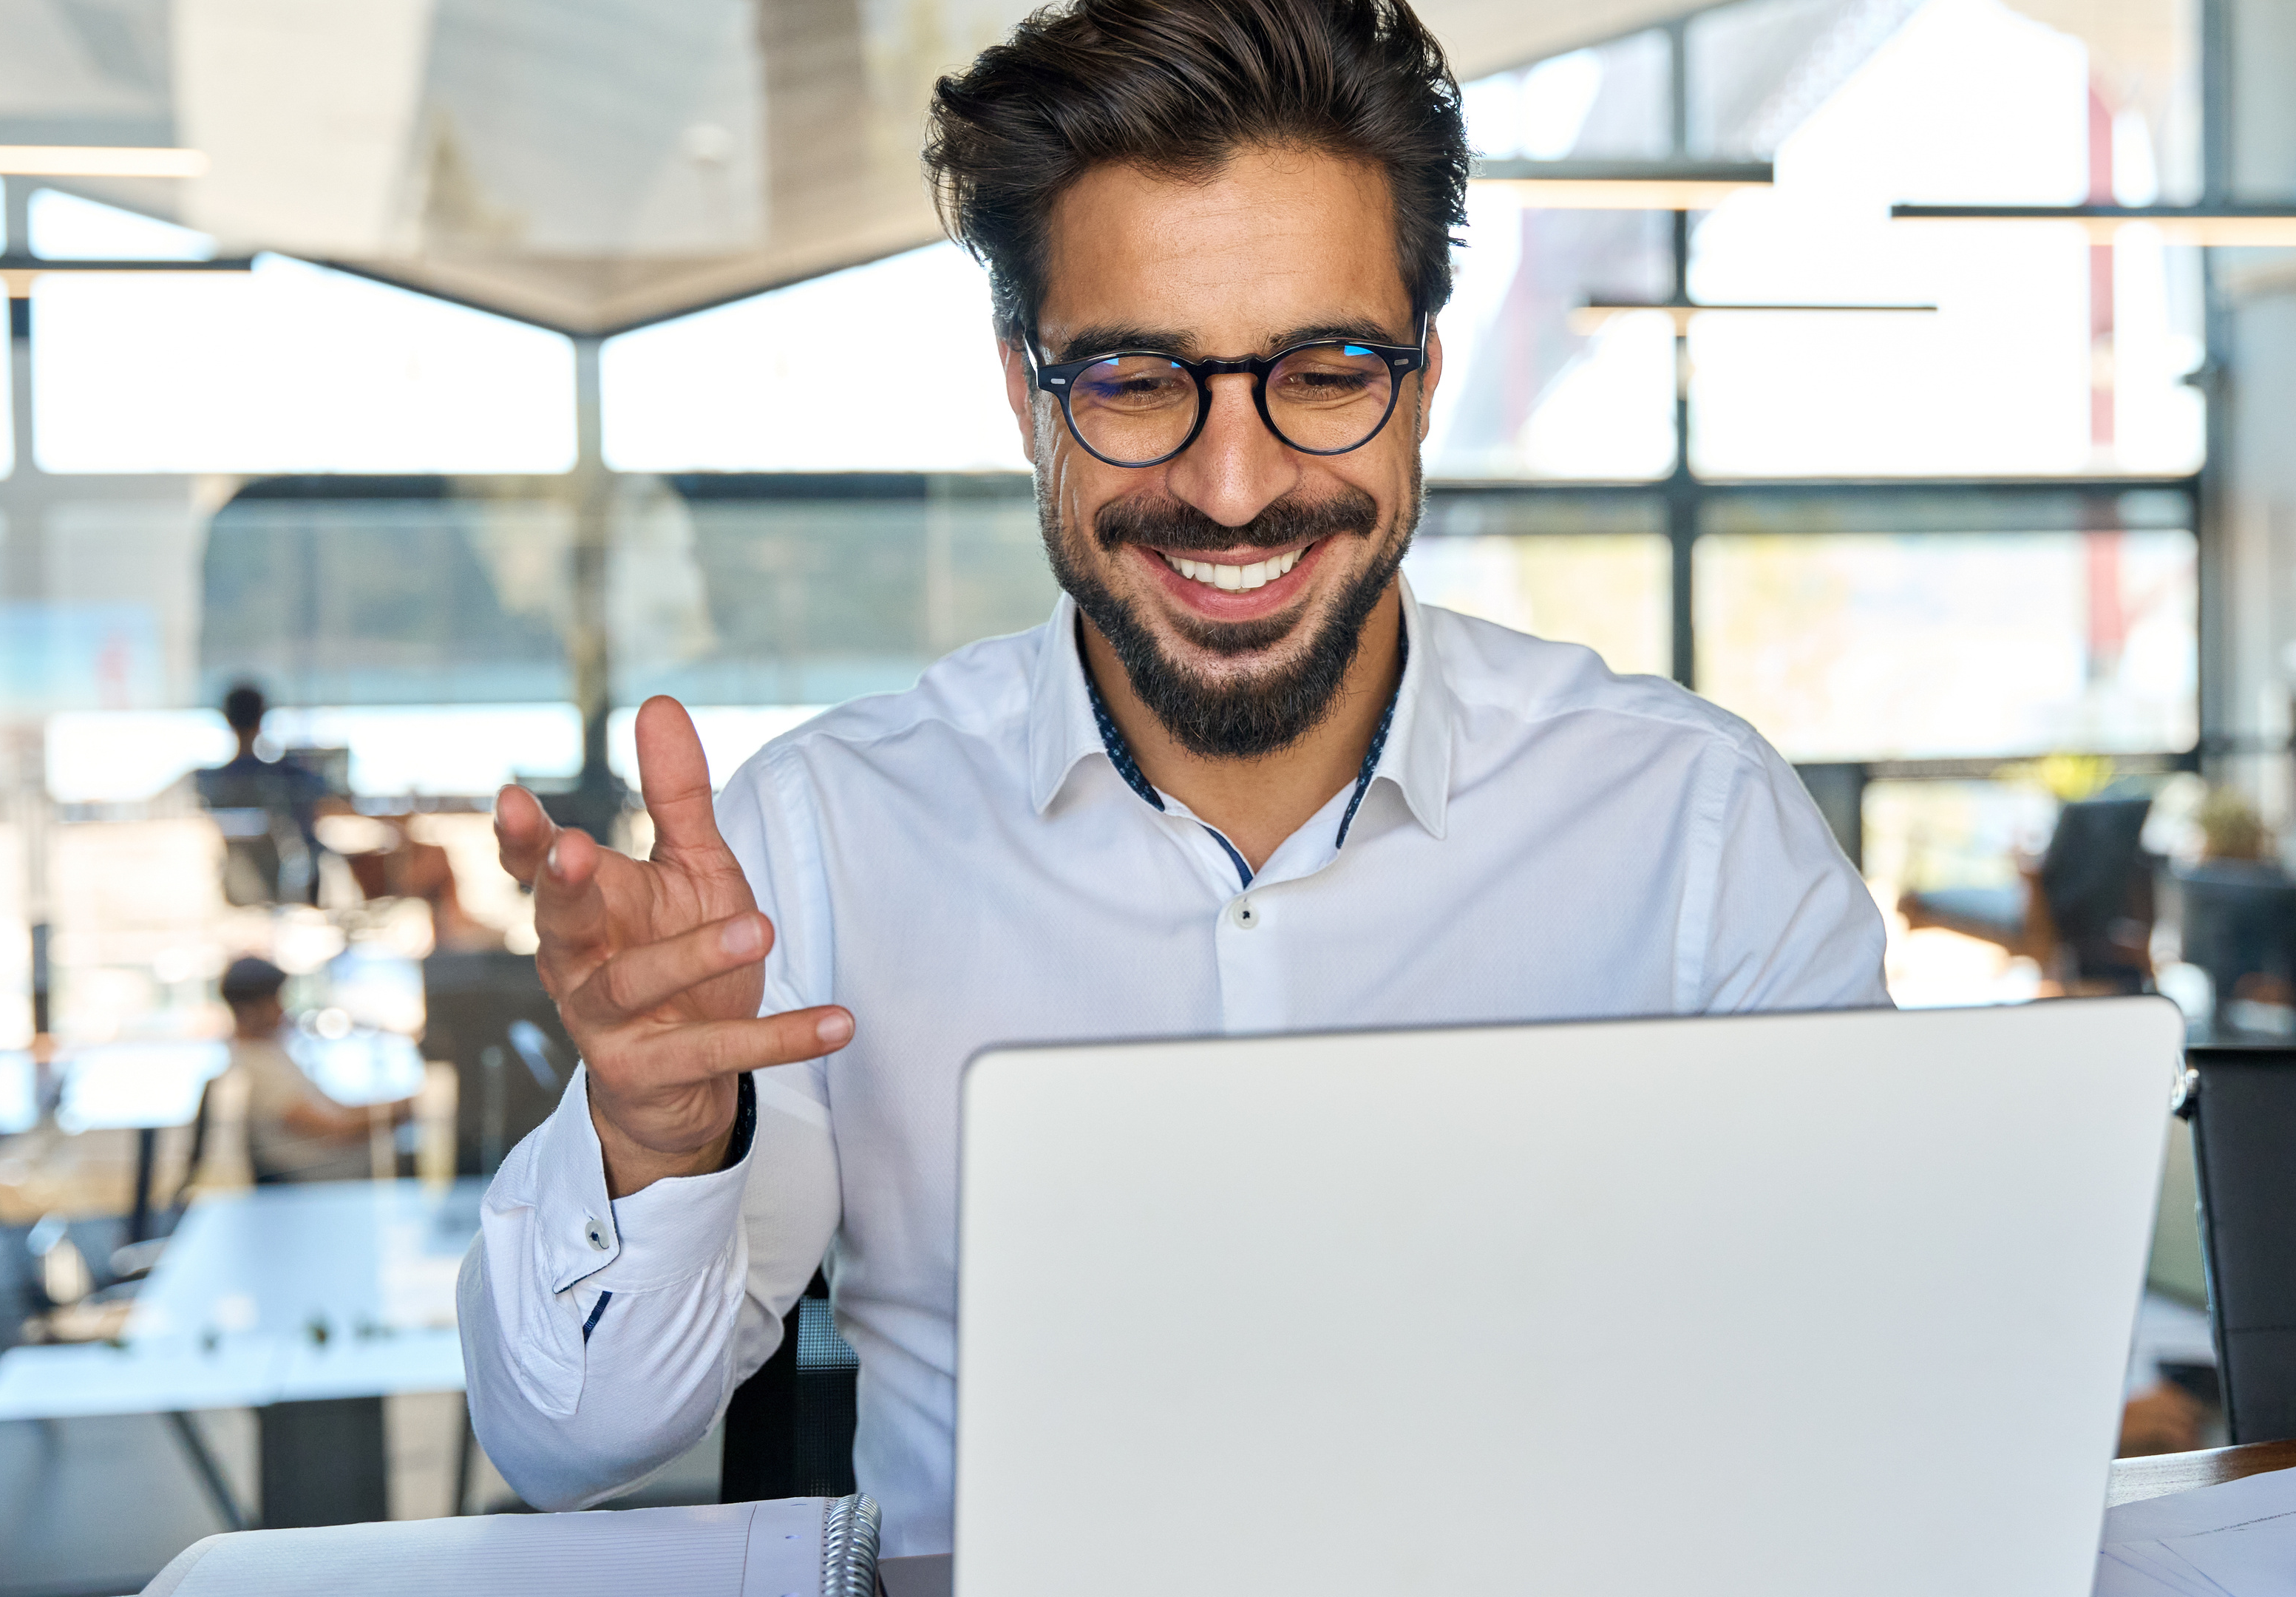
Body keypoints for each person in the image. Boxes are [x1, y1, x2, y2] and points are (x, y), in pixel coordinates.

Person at [458, 0, 1887, 1554]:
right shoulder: (821, 838)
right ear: (1026, 394)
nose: (1232, 485)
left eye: (1326, 368)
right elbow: (568, 1443)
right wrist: (654, 1147)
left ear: (1417, 380)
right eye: (1137, 380)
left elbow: (1894, 1365)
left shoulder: (1694, 830)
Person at [217, 957, 410, 1184]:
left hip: (331, 1165)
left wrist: (398, 1107)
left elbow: (338, 1111)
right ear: (248, 1010)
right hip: (314, 1176)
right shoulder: (254, 1067)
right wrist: (400, 1111)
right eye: (274, 1001)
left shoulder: (269, 1053)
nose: (282, 1009)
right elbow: (335, 1131)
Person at [194, 682, 335, 906]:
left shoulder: (205, 781)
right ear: (262, 719)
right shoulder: (284, 776)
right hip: (282, 892)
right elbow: (319, 818)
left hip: (228, 892)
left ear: (227, 719)